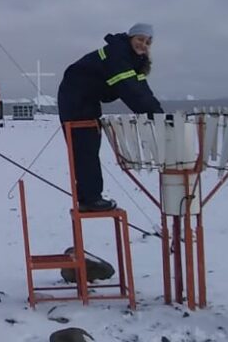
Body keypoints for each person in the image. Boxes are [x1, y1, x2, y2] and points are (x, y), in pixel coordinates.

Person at [57, 23, 164, 212]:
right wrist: (157, 118)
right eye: (140, 39)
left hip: (87, 99)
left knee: (89, 146)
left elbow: (142, 91)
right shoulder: (118, 55)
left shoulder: (133, 61)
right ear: (130, 38)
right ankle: (90, 199)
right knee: (85, 147)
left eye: (148, 42)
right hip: (75, 97)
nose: (143, 45)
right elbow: (131, 91)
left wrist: (159, 115)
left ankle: (88, 196)